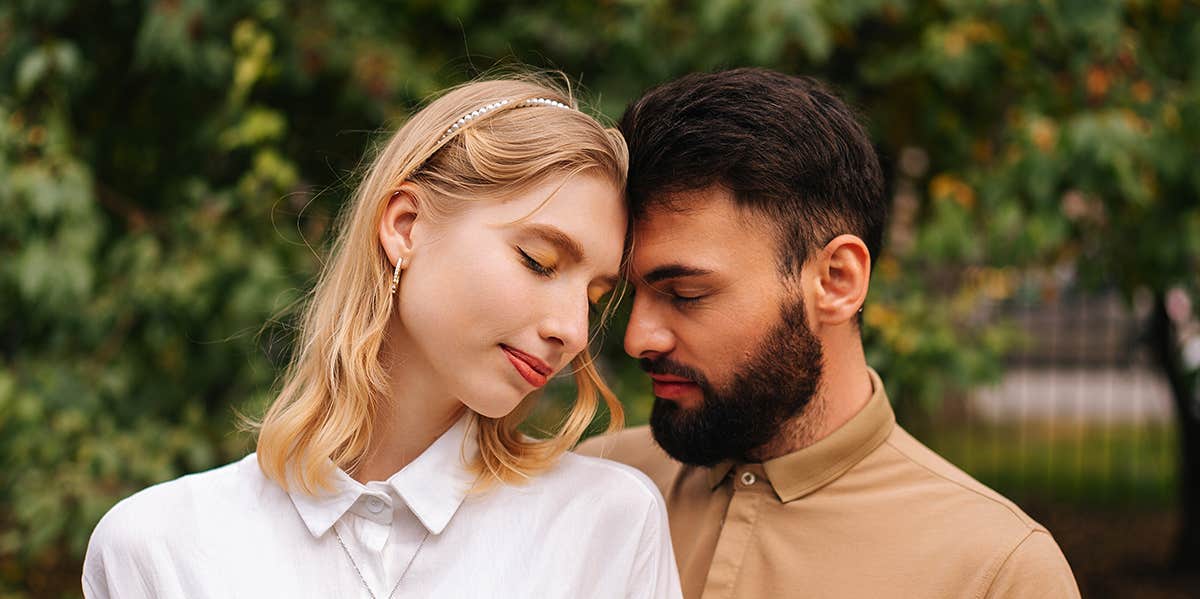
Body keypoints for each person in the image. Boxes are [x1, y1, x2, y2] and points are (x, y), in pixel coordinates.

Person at [83, 77, 682, 599]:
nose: (572, 331)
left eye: (595, 297)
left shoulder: (608, 526)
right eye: (538, 261)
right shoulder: (157, 547)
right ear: (406, 226)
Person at [578, 68, 1080, 598]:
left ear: (837, 281)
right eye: (630, 292)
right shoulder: (592, 486)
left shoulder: (995, 571)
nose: (637, 339)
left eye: (685, 295)